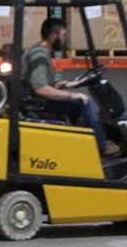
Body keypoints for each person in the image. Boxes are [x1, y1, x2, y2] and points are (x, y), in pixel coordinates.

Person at [20, 17, 121, 158]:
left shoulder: (37, 50)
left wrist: (70, 84)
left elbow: (47, 83)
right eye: (63, 35)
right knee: (84, 103)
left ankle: (82, 142)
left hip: (36, 100)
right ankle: (101, 147)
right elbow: (41, 88)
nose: (64, 39)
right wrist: (72, 95)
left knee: (77, 103)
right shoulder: (39, 56)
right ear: (54, 35)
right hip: (38, 103)